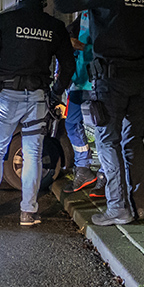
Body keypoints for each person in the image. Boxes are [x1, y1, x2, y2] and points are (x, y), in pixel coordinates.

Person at [55, 0, 144, 226]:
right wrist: (139, 29)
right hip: (141, 82)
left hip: (110, 81)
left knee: (107, 141)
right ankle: (141, 206)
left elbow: (63, 3)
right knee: (133, 142)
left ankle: (118, 208)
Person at [0, 0, 74, 227]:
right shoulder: (54, 27)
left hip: (6, 97)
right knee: (32, 154)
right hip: (37, 98)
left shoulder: (4, 21)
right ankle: (28, 212)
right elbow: (68, 65)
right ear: (42, 2)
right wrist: (55, 94)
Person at [62, 12, 101, 192]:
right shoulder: (84, 14)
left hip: (98, 79)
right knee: (71, 123)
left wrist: (82, 47)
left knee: (103, 125)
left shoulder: (103, 11)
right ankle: (83, 168)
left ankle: (106, 173)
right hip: (80, 78)